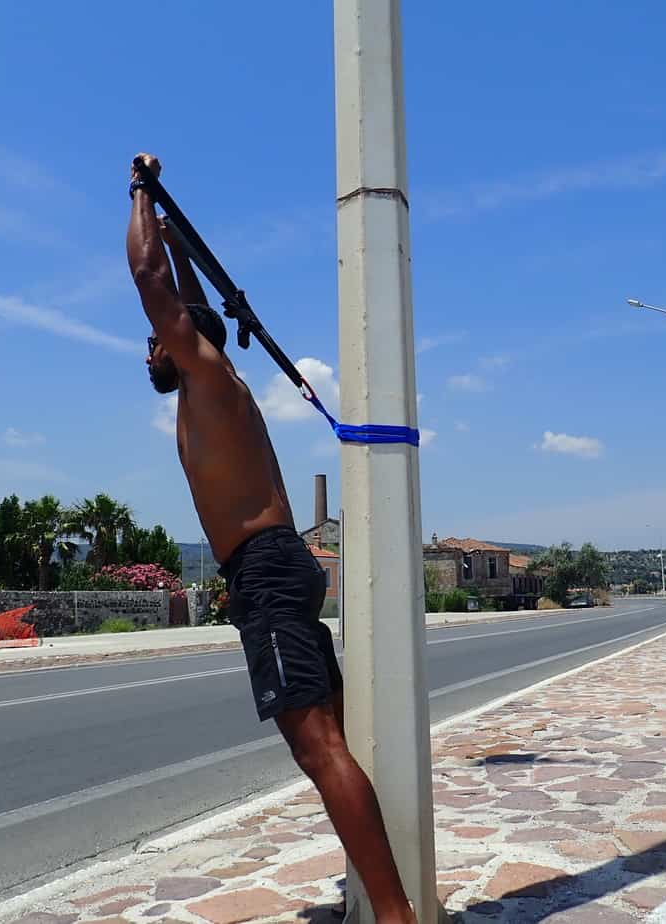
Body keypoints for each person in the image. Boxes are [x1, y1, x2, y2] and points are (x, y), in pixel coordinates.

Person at [127, 153, 417, 924]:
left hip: (267, 569)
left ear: (182, 341)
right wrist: (178, 236)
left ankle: (394, 915)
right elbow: (180, 294)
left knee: (319, 748)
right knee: (332, 742)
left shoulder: (207, 374)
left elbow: (154, 289)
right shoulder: (213, 383)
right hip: (276, 566)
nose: (147, 347)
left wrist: (135, 193)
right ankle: (379, 899)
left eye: (157, 340)